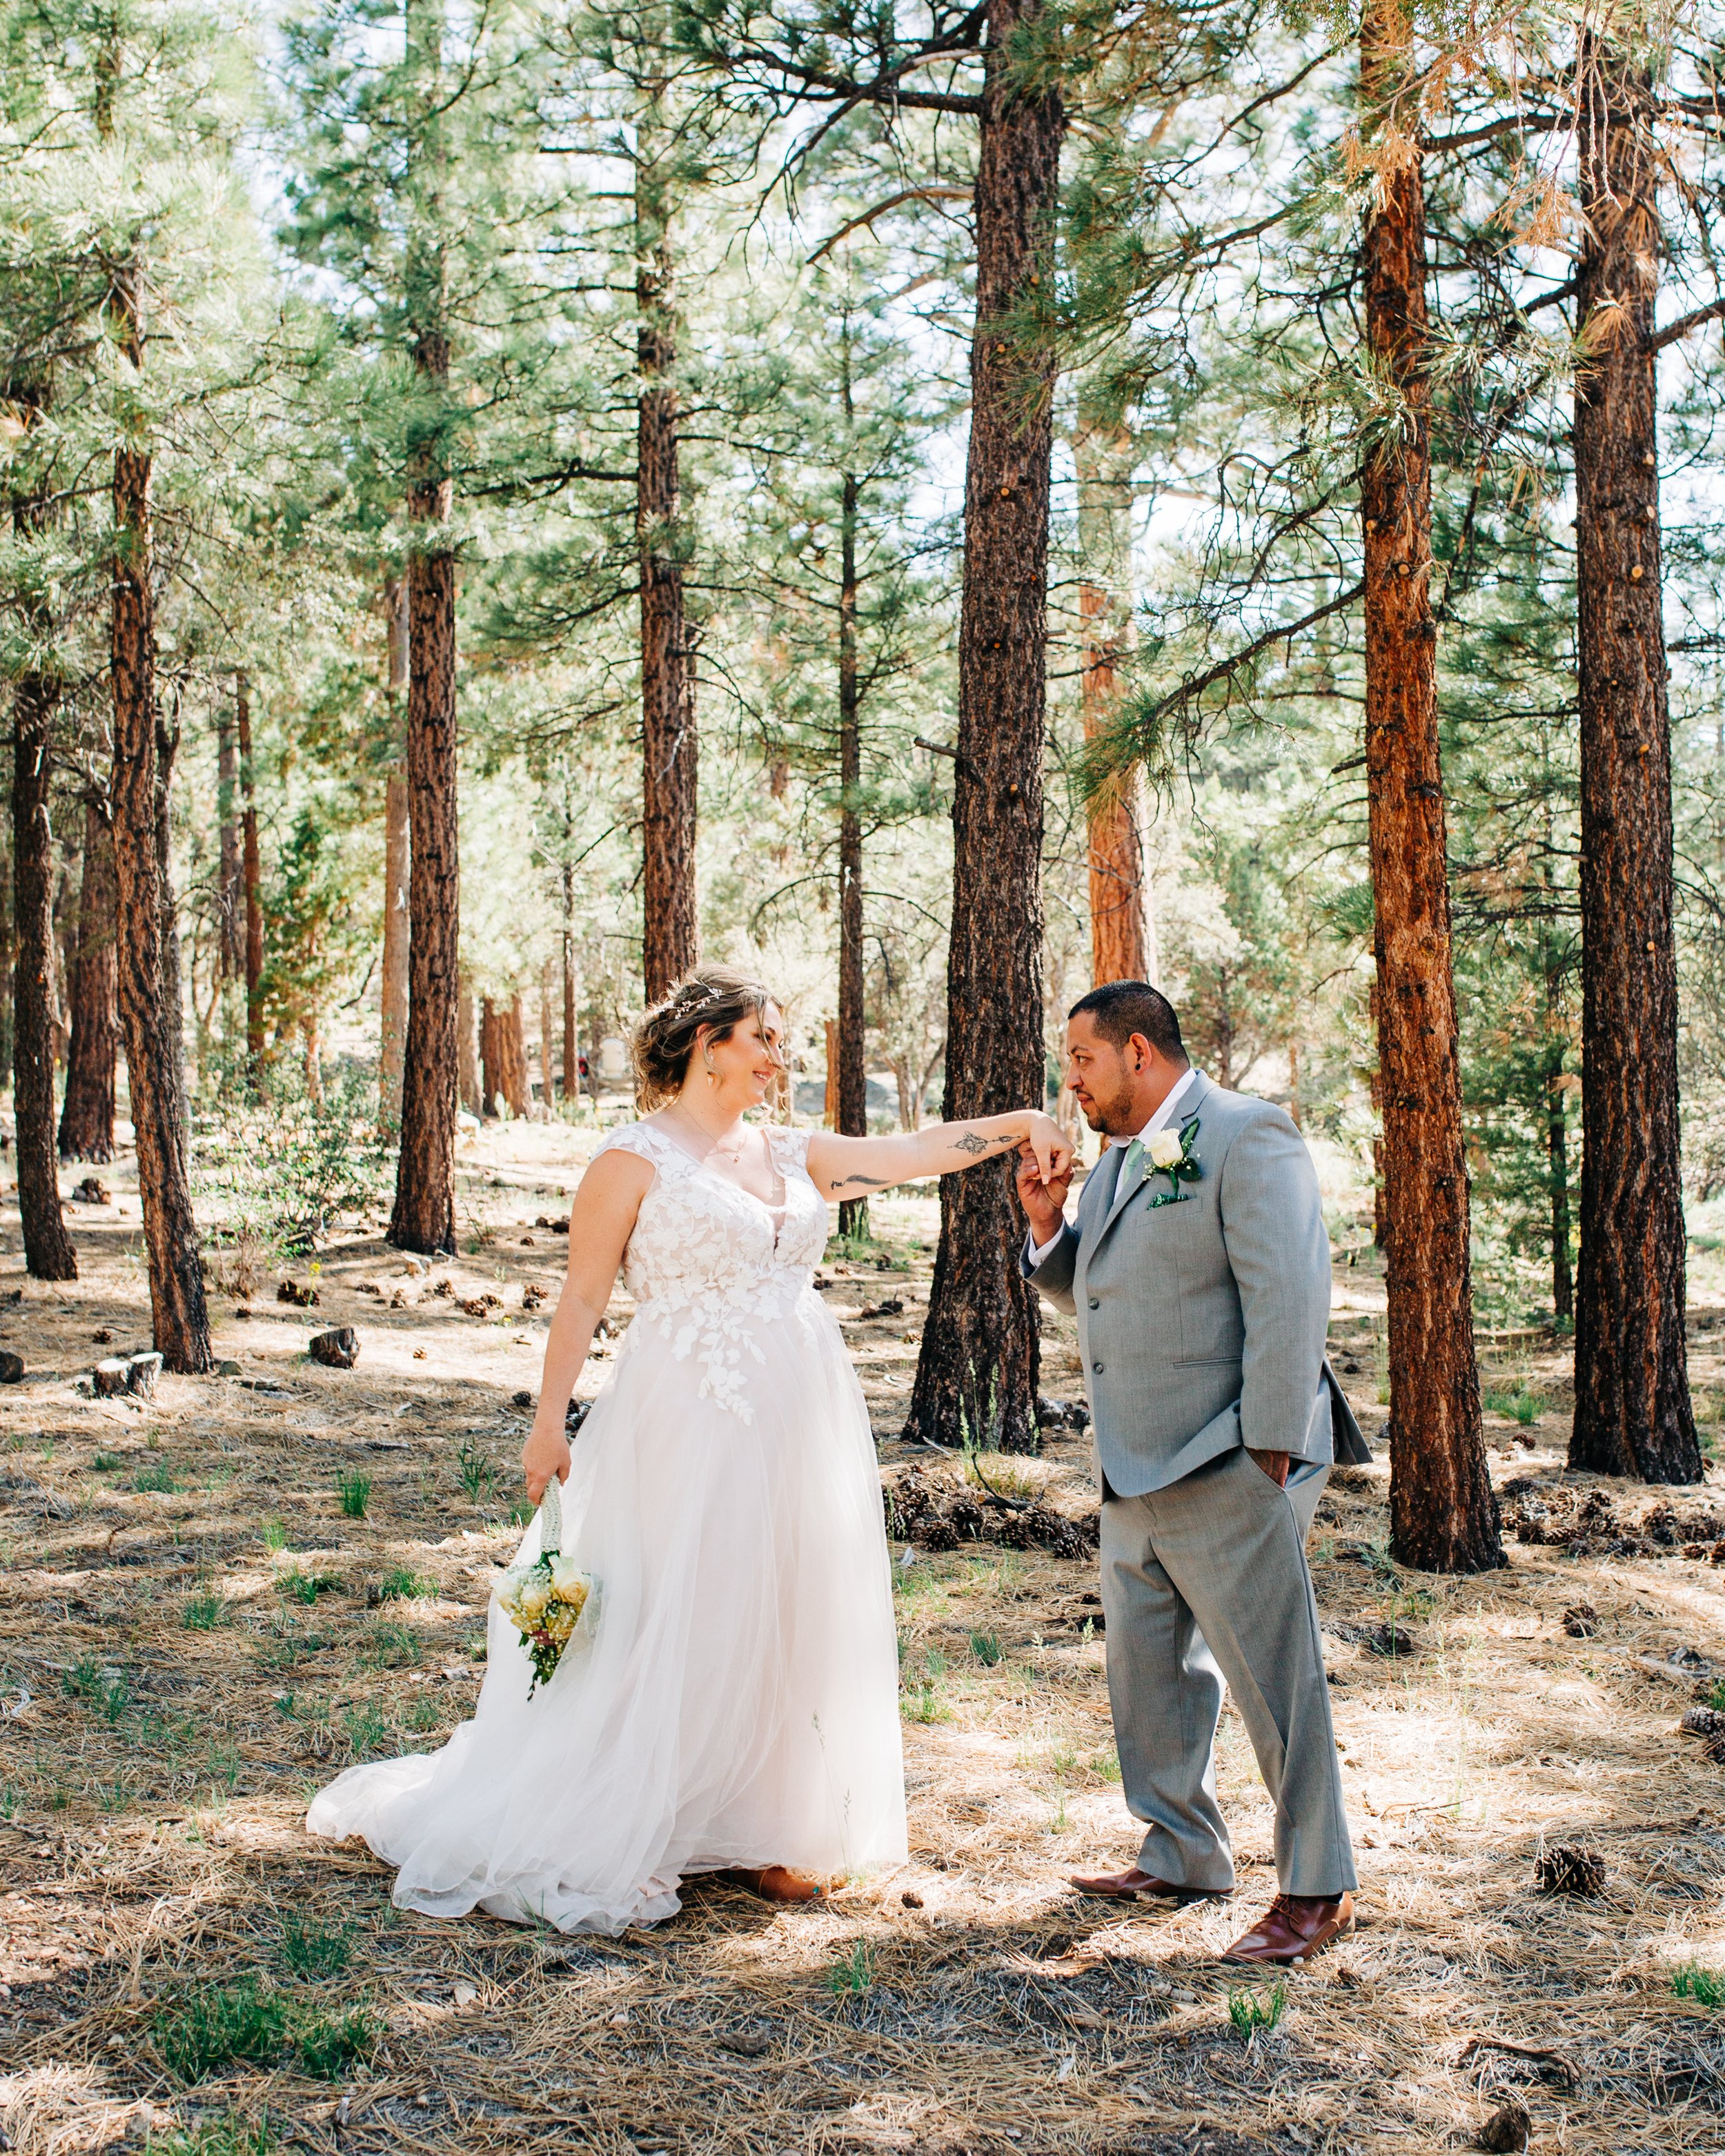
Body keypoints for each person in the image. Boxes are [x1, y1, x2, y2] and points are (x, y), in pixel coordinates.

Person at [308, 965, 1070, 1935]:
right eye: (761, 1037)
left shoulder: (792, 1150)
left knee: (788, 1600)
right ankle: (641, 1818)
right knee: (681, 1600)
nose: (774, 1056)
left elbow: (916, 1151)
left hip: (801, 1408)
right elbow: (583, 1295)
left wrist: (1020, 1122)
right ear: (709, 1042)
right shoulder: (631, 1160)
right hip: (687, 1408)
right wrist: (550, 1417)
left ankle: (767, 1827)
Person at [1016, 979, 1370, 1966]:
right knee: (1150, 1670)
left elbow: (1291, 1289)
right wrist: (1049, 1229)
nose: (1071, 1081)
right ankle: (1181, 1847)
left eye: (1081, 1059)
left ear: (1138, 1051)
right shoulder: (1115, 1161)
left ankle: (1316, 1885)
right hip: (1132, 1464)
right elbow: (1099, 1291)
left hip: (1229, 1455)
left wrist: (1268, 1450)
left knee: (1275, 1680)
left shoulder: (1247, 1133)